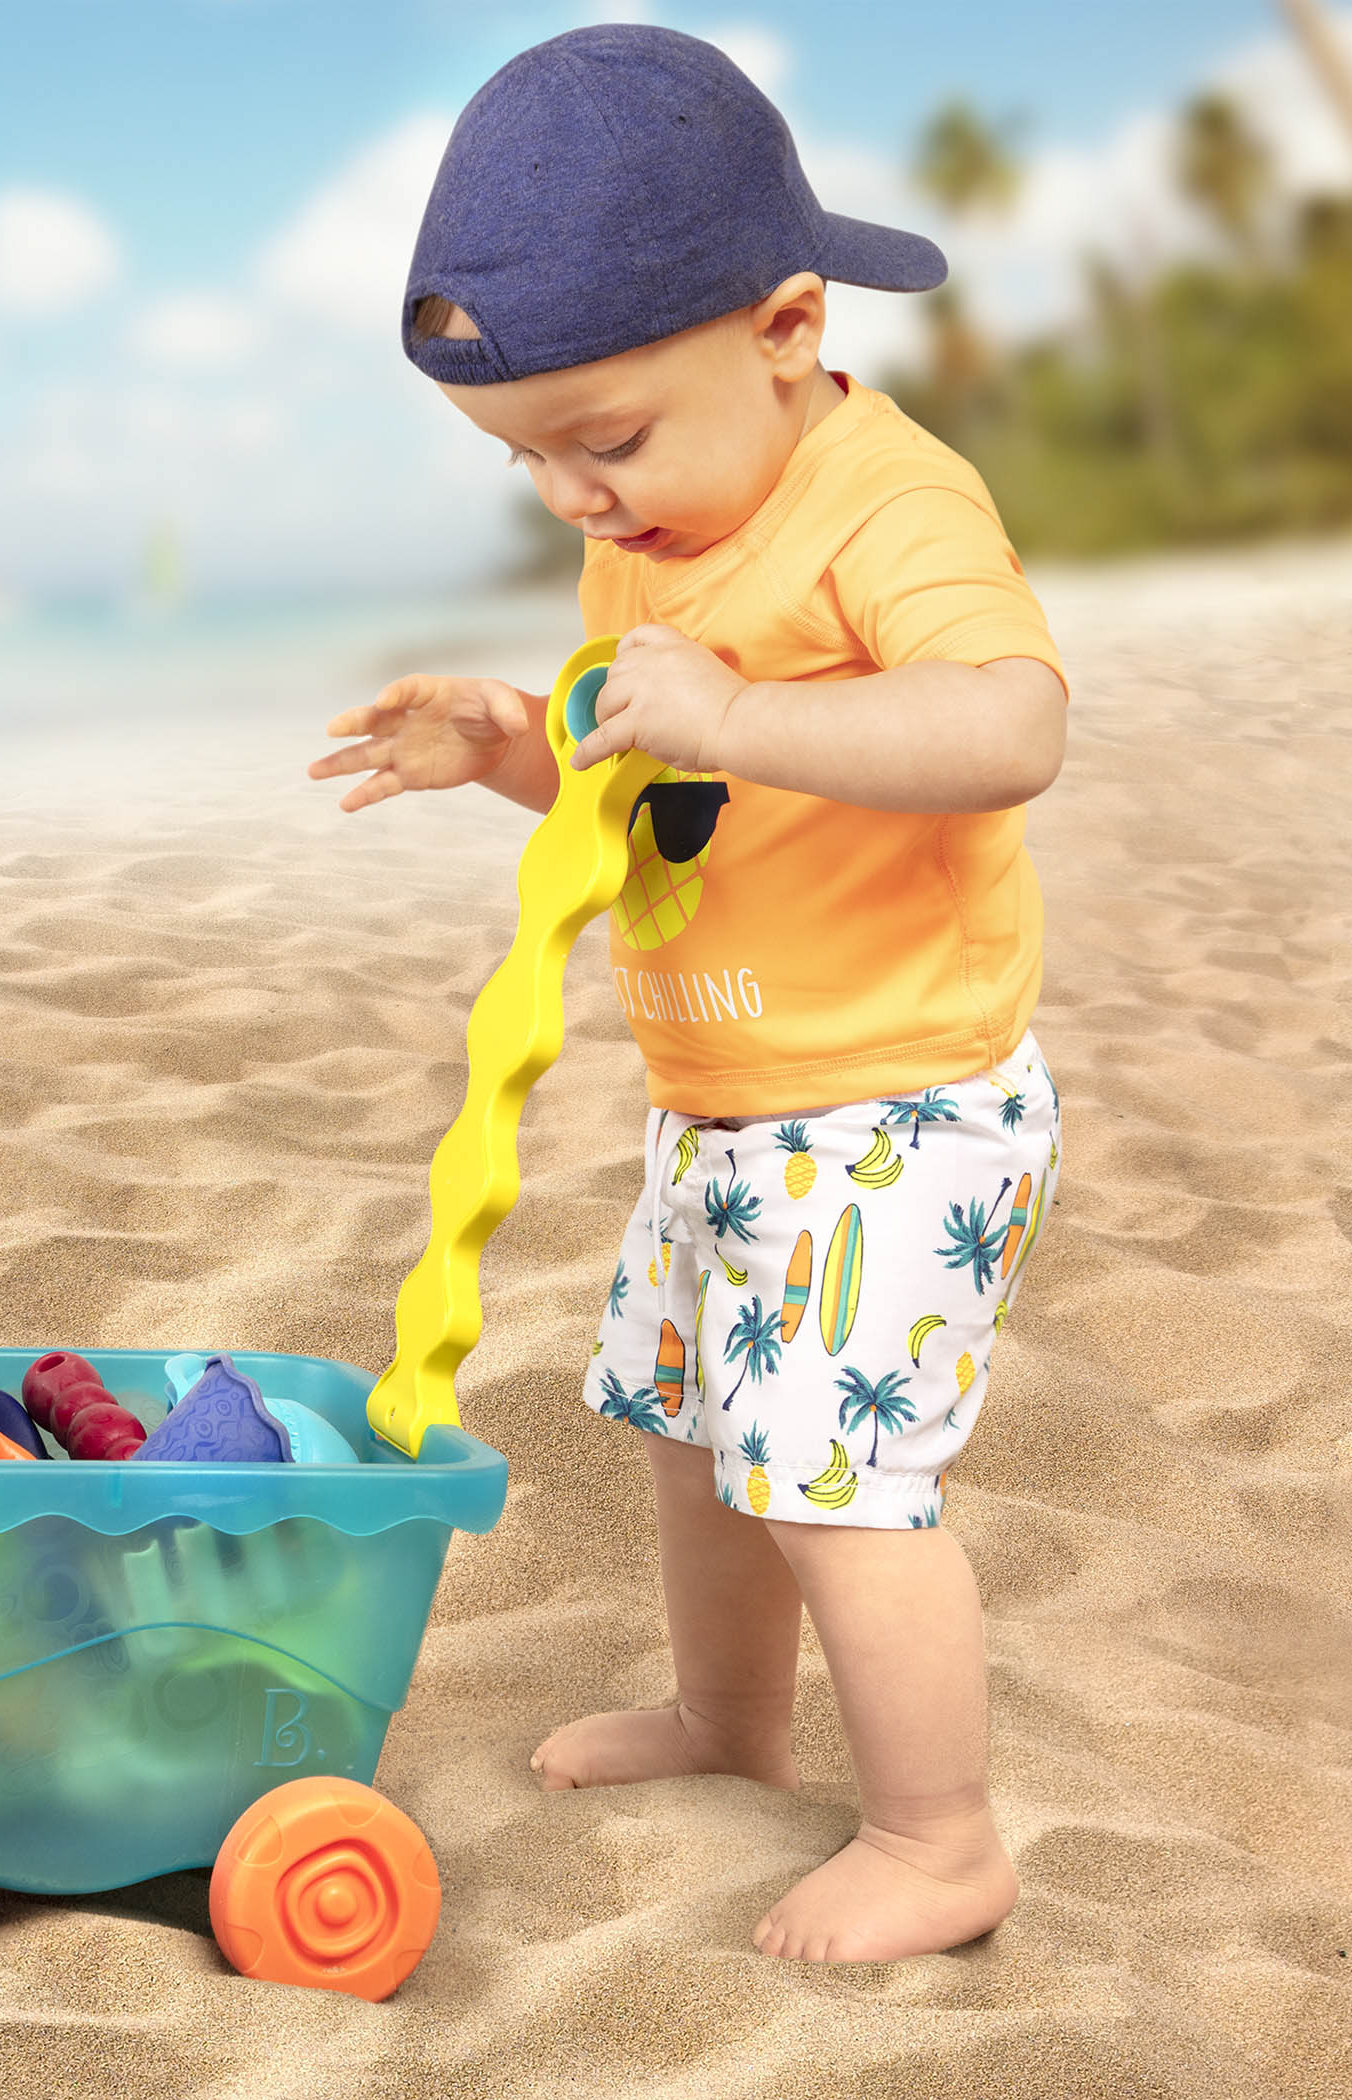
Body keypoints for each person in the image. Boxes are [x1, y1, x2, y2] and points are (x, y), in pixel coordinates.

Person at [308, 24, 1066, 1964]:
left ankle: (940, 1833)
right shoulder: (649, 539)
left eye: (607, 438)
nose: (573, 497)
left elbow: (1010, 724)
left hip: (894, 1104)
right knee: (700, 1428)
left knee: (834, 1477)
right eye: (525, 457)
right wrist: (504, 743)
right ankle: (733, 1722)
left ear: (791, 329)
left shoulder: (887, 507)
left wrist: (747, 709)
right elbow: (647, 777)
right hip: (727, 1101)